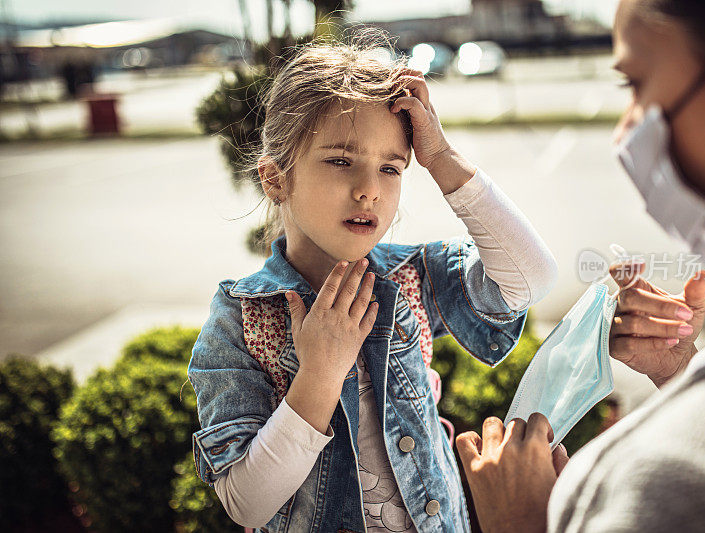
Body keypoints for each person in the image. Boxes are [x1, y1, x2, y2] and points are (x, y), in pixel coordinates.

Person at [187, 37, 559, 532]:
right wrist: (319, 374)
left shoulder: (410, 277)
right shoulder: (241, 319)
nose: (370, 189)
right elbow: (245, 503)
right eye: (341, 161)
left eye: (391, 167)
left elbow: (531, 278)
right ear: (276, 179)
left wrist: (440, 156)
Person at [456, 1, 705, 532]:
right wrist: (684, 371)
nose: (624, 134)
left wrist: (524, 523)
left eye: (636, 85)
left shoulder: (674, 482)